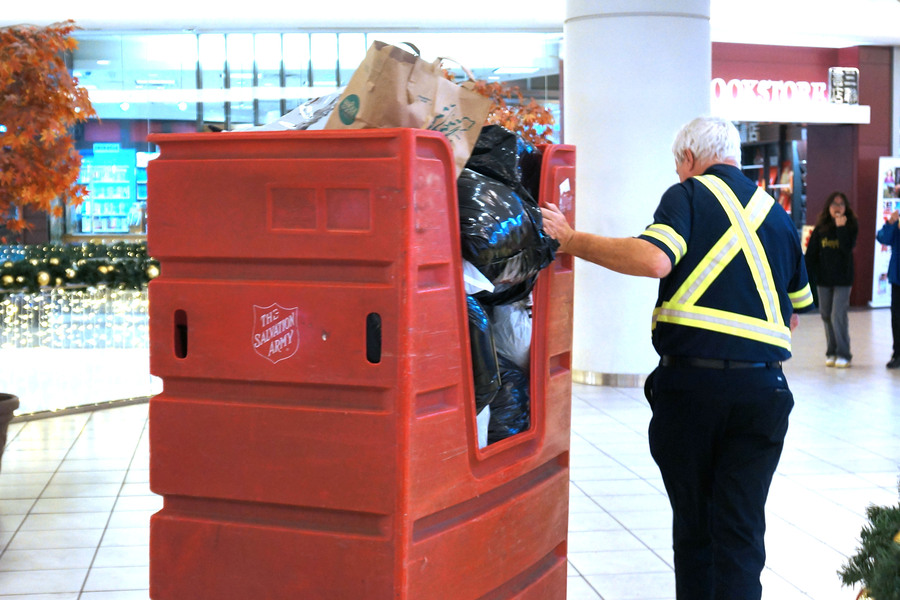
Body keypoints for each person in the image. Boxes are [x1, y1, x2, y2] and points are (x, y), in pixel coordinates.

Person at [540, 116, 813, 600]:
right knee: (742, 531)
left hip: (694, 391)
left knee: (696, 529)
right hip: (764, 393)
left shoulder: (686, 195)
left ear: (688, 159)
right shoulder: (779, 216)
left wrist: (572, 240)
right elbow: (793, 314)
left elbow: (654, 260)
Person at [804, 191, 858, 368]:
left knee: (837, 315)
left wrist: (840, 227)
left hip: (843, 279)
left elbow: (846, 249)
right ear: (828, 207)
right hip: (824, 278)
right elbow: (811, 253)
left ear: (846, 208)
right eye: (834, 204)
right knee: (826, 315)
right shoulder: (820, 228)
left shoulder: (850, 226)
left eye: (841, 204)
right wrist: (806, 275)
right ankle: (832, 351)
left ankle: (844, 354)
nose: (838, 207)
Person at [876, 208, 900, 368]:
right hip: (897, 277)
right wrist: (891, 223)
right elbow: (882, 238)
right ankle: (897, 352)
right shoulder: (896, 222)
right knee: (897, 317)